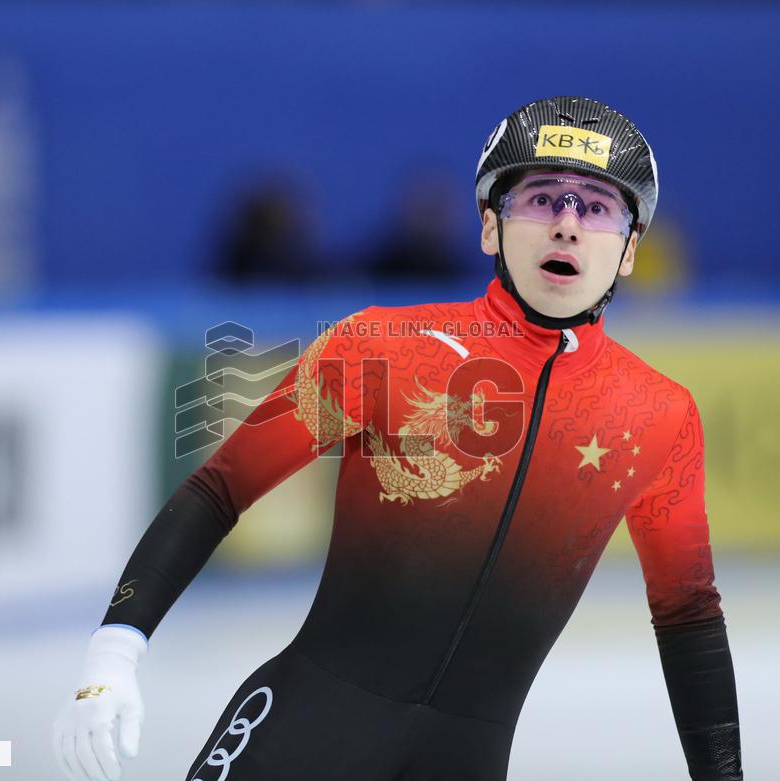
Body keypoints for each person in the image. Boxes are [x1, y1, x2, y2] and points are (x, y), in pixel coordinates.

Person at [53, 96, 743, 781]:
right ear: (488, 228)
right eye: (541, 198)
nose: (567, 224)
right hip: (300, 734)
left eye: (596, 207)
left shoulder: (659, 414)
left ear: (629, 251)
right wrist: (114, 651)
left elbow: (687, 614)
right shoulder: (379, 345)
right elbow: (219, 488)